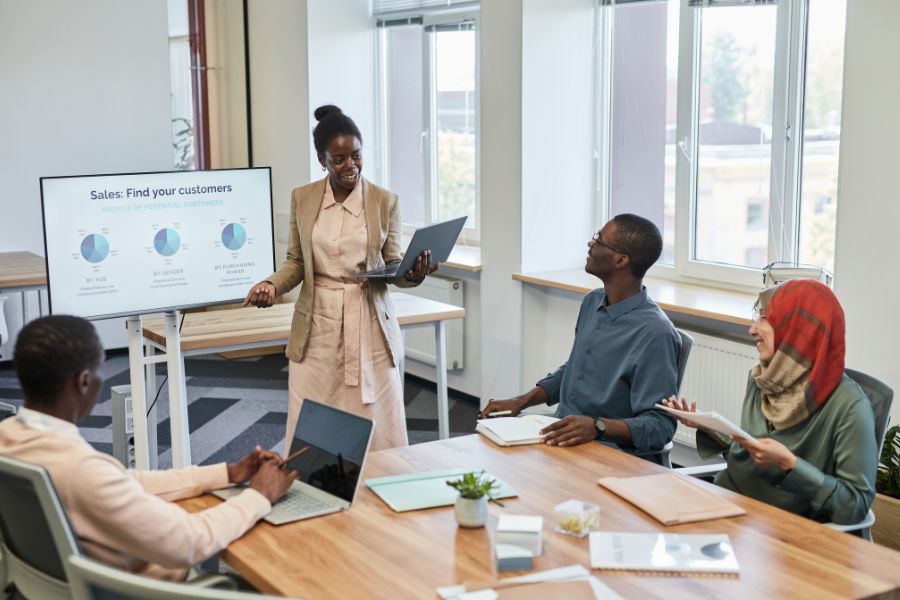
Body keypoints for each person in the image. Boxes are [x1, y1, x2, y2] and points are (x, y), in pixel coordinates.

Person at [0, 315, 298, 581]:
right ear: (84, 381)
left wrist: (227, 473)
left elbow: (122, 482)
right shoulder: (80, 470)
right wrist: (259, 495)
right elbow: (188, 542)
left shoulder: (10, 435)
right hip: (137, 588)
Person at [244, 105, 437, 452]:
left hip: (369, 322)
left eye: (357, 156)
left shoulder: (384, 201)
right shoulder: (303, 198)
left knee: (377, 416)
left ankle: (380, 489)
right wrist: (272, 285)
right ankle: (312, 490)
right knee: (312, 412)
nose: (351, 166)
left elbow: (393, 265)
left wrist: (413, 274)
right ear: (322, 160)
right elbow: (295, 262)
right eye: (340, 159)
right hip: (317, 324)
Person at [663, 279, 877, 524]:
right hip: (730, 504)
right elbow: (753, 454)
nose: (752, 330)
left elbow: (855, 505)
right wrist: (707, 426)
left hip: (781, 527)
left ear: (799, 329)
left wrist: (790, 465)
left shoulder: (850, 407)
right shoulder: (761, 378)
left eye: (765, 319)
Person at [480, 214, 680, 457]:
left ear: (620, 260)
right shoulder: (593, 301)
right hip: (562, 434)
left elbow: (661, 426)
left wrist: (598, 426)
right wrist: (520, 401)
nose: (590, 244)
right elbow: (576, 369)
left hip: (607, 450)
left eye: (599, 240)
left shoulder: (655, 333)